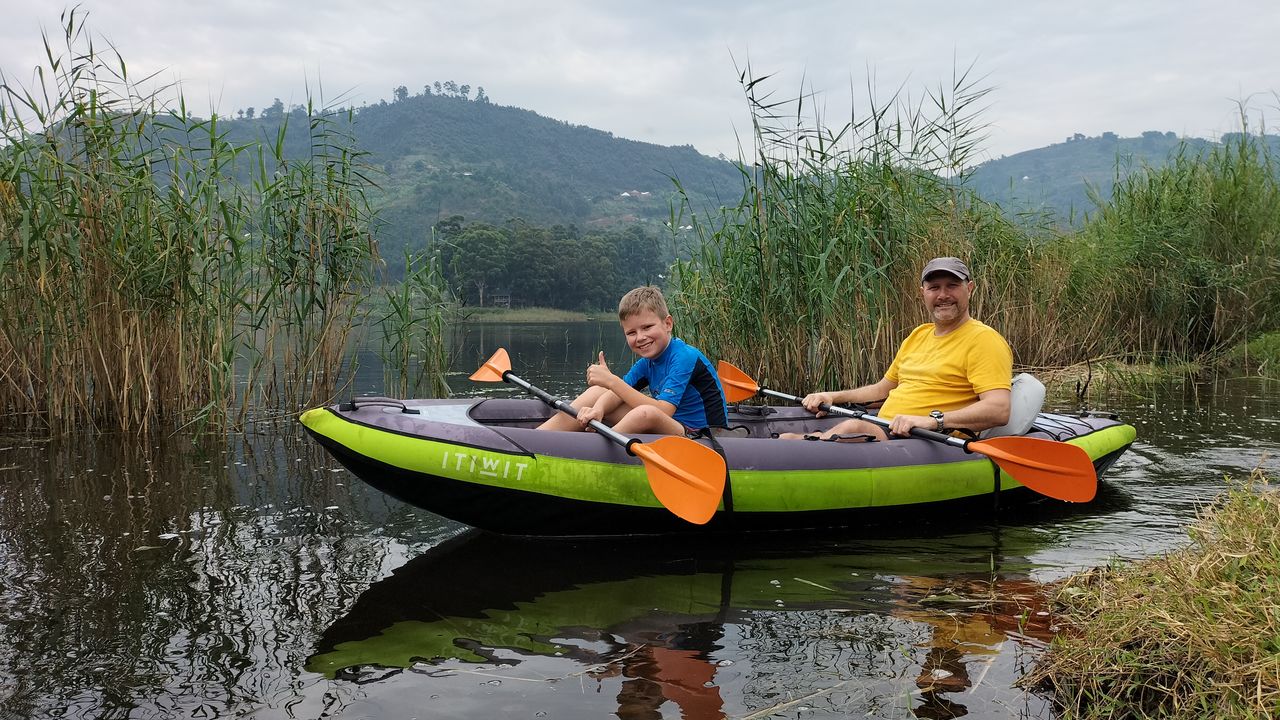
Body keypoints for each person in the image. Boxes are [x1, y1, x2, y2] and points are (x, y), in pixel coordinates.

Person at [781, 256, 1011, 440]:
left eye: (952, 286)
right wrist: (833, 396)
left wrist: (933, 420)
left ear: (969, 289)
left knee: (850, 428)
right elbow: (882, 390)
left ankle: (809, 444)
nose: (943, 295)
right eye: (934, 287)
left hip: (929, 438)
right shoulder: (919, 334)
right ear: (923, 293)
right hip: (888, 427)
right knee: (786, 439)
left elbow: (998, 409)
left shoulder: (984, 340)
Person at [537, 286, 728, 435]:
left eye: (647, 327)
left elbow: (663, 411)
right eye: (631, 332)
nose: (640, 337)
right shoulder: (648, 362)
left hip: (702, 434)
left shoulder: (684, 356)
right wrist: (598, 409)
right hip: (673, 426)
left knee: (646, 413)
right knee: (598, 392)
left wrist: (611, 380)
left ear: (667, 324)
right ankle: (538, 439)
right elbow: (617, 393)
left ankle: (594, 450)